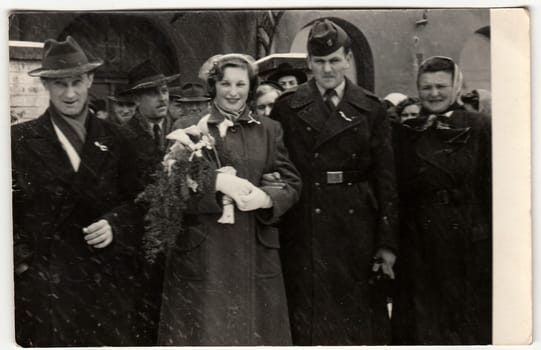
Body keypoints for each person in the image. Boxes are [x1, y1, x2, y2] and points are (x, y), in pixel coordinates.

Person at [157, 53, 301, 345]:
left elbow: (290, 181)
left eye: (240, 83)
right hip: (206, 252)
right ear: (214, 85)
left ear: (251, 86)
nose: (233, 92)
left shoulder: (268, 130)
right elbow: (170, 189)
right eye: (225, 83)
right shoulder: (189, 126)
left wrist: (265, 197)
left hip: (255, 252)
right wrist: (215, 183)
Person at [269, 19, 398, 345]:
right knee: (310, 318)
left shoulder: (371, 108)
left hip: (356, 227)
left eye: (335, 60)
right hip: (305, 226)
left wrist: (386, 243)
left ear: (348, 60)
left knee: (355, 319)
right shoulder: (288, 106)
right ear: (310, 63)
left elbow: (386, 180)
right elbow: (280, 170)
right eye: (320, 62)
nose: (328, 69)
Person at [12, 36, 141, 347]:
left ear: (90, 80)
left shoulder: (120, 139)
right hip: (46, 289)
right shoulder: (18, 141)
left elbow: (141, 200)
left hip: (105, 281)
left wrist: (116, 224)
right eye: (59, 84)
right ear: (46, 84)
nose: (69, 93)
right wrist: (23, 262)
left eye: (76, 82)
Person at [391, 56, 492, 345]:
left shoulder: (479, 127)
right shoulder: (409, 131)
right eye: (426, 87)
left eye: (441, 86)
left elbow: (490, 185)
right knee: (425, 323)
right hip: (422, 244)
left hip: (469, 243)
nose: (433, 94)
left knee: (465, 321)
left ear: (456, 86)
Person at [122, 60, 179, 345]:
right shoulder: (122, 138)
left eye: (165, 89)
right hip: (139, 249)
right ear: (136, 99)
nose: (163, 97)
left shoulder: (181, 134)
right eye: (152, 92)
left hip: (178, 247)